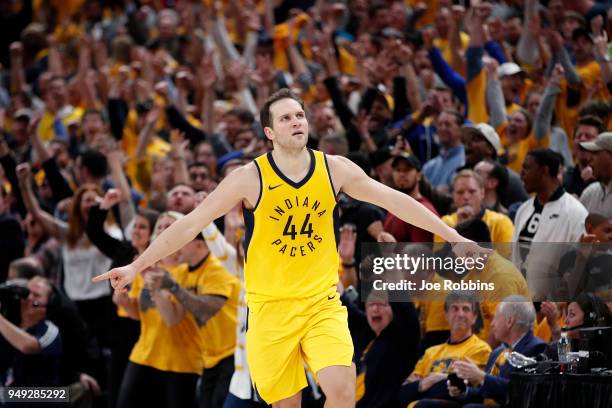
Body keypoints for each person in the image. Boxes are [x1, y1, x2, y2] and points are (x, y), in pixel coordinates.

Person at [94, 88, 488, 407]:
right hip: (269, 310)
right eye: (285, 118)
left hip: (320, 303)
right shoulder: (249, 178)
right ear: (269, 132)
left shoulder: (334, 168)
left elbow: (397, 201)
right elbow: (191, 223)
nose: (296, 121)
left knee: (342, 390)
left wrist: (454, 236)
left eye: (299, 115)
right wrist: (137, 266)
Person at [443, 297, 547, 408]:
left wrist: (481, 377)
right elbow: (484, 394)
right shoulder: (497, 352)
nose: (492, 324)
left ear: (509, 321)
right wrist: (464, 391)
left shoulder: (537, 349)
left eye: (496, 318)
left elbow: (520, 391)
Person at [399, 291, 491, 408]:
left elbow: (456, 390)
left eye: (466, 309)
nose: (460, 314)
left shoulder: (480, 349)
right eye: (455, 309)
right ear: (446, 315)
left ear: (474, 317)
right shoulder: (430, 352)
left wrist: (423, 384)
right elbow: (404, 393)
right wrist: (434, 380)